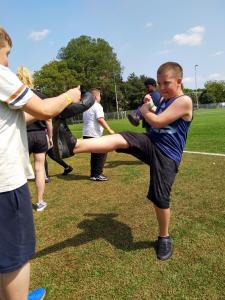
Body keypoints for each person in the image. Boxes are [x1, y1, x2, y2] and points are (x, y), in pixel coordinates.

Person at [65, 62, 193, 261]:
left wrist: (144, 109)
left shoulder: (184, 101)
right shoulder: (165, 100)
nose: (162, 88)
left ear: (179, 81)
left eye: (166, 83)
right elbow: (157, 113)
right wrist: (151, 104)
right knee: (122, 138)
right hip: (152, 142)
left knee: (160, 198)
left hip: (168, 155)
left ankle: (164, 236)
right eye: (159, 83)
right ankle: (73, 146)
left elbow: (158, 121)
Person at [0, 27, 81, 300]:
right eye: (6, 53)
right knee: (16, 254)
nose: (8, 61)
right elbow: (45, 109)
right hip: (6, 184)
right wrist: (70, 96)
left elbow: (15, 119)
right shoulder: (1, 74)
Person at [17, 66, 51, 212]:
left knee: (19, 170)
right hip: (39, 135)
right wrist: (50, 137)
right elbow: (48, 118)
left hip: (23, 135)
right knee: (39, 169)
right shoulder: (39, 96)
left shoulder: (16, 96)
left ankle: (21, 203)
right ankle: (40, 202)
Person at [82, 88, 115, 181]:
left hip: (86, 134)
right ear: (96, 96)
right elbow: (100, 119)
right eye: (100, 95)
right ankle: (98, 174)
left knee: (95, 154)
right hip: (93, 134)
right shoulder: (97, 106)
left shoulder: (87, 107)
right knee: (103, 151)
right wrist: (109, 129)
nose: (100, 97)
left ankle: (93, 174)